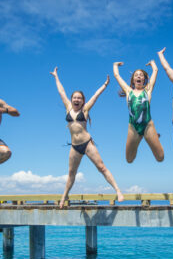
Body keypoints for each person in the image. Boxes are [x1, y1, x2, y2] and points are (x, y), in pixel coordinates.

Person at [50, 67, 124, 208]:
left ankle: (118, 191)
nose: (76, 99)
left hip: (87, 143)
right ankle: (63, 198)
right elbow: (61, 91)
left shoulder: (85, 109)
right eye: (74, 97)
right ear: (71, 100)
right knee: (71, 173)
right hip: (74, 147)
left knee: (101, 167)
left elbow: (96, 95)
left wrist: (105, 85)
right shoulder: (68, 107)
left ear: (83, 100)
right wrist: (56, 77)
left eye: (79, 98)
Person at [113, 60, 164, 163]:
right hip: (133, 127)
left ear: (144, 79)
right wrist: (115, 65)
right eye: (136, 75)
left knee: (160, 158)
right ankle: (141, 138)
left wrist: (152, 63)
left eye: (141, 75)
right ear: (133, 80)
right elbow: (117, 76)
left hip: (148, 125)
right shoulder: (128, 91)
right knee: (129, 160)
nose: (139, 76)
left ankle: (148, 136)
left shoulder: (147, 90)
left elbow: (155, 70)